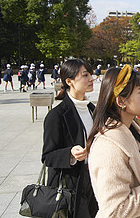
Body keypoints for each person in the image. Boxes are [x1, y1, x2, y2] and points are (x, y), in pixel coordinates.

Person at [86, 65, 140, 217]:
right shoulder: (109, 146)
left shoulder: (132, 130)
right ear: (121, 101)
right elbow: (115, 210)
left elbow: (137, 179)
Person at [42, 59, 98, 218]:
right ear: (69, 81)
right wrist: (70, 154)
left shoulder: (92, 110)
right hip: (71, 186)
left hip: (94, 180)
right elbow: (47, 157)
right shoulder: (57, 115)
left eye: (91, 74)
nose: (91, 79)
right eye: (85, 75)